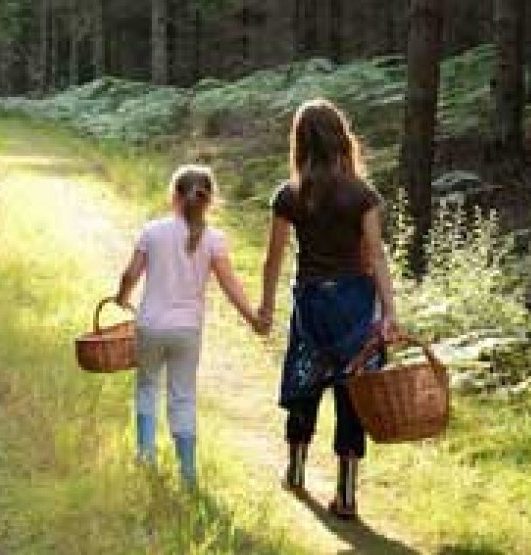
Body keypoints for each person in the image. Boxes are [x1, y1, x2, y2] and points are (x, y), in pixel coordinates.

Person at [257, 98, 404, 519]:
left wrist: (266, 307)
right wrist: (389, 312)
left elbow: (274, 258)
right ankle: (346, 494)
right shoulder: (363, 194)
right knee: (352, 390)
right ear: (342, 138)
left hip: (311, 303)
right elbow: (376, 255)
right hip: (356, 303)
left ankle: (297, 470)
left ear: (300, 141)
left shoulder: (289, 195)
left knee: (305, 380)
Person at [115, 164, 262, 489]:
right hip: (187, 331)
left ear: (175, 197)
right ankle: (188, 473)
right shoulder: (214, 240)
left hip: (150, 326)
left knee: (147, 387)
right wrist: (253, 318)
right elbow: (230, 285)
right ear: (208, 201)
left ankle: (146, 453)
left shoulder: (153, 231)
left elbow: (130, 275)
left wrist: (122, 297)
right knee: (183, 396)